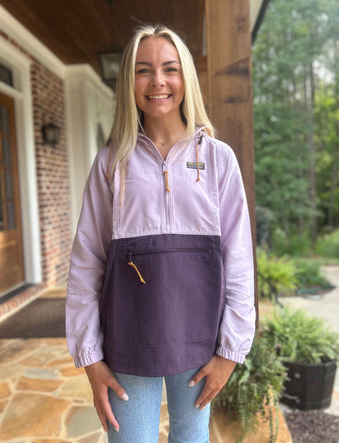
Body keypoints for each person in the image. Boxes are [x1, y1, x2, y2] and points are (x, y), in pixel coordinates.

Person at [66, 24, 256, 443]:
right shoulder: (111, 162)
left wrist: (230, 351)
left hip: (200, 338)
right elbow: (86, 263)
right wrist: (90, 358)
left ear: (185, 77)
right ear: (128, 82)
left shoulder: (218, 160)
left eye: (170, 68)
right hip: (127, 341)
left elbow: (238, 257)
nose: (158, 82)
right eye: (143, 70)